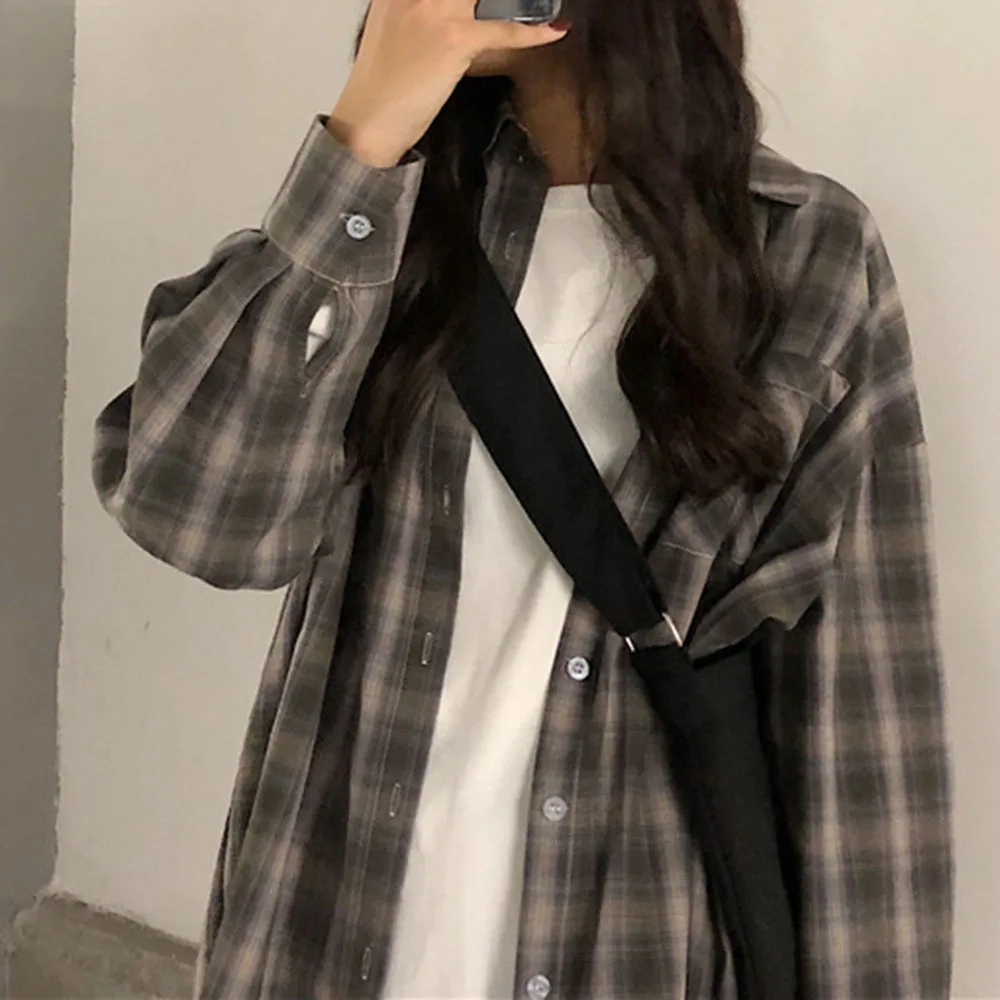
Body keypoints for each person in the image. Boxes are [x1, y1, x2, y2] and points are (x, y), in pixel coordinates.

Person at [93, 0, 954, 997]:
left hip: (628, 936)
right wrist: (364, 134)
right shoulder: (382, 215)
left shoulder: (805, 250)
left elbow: (863, 707)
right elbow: (200, 520)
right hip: (334, 917)